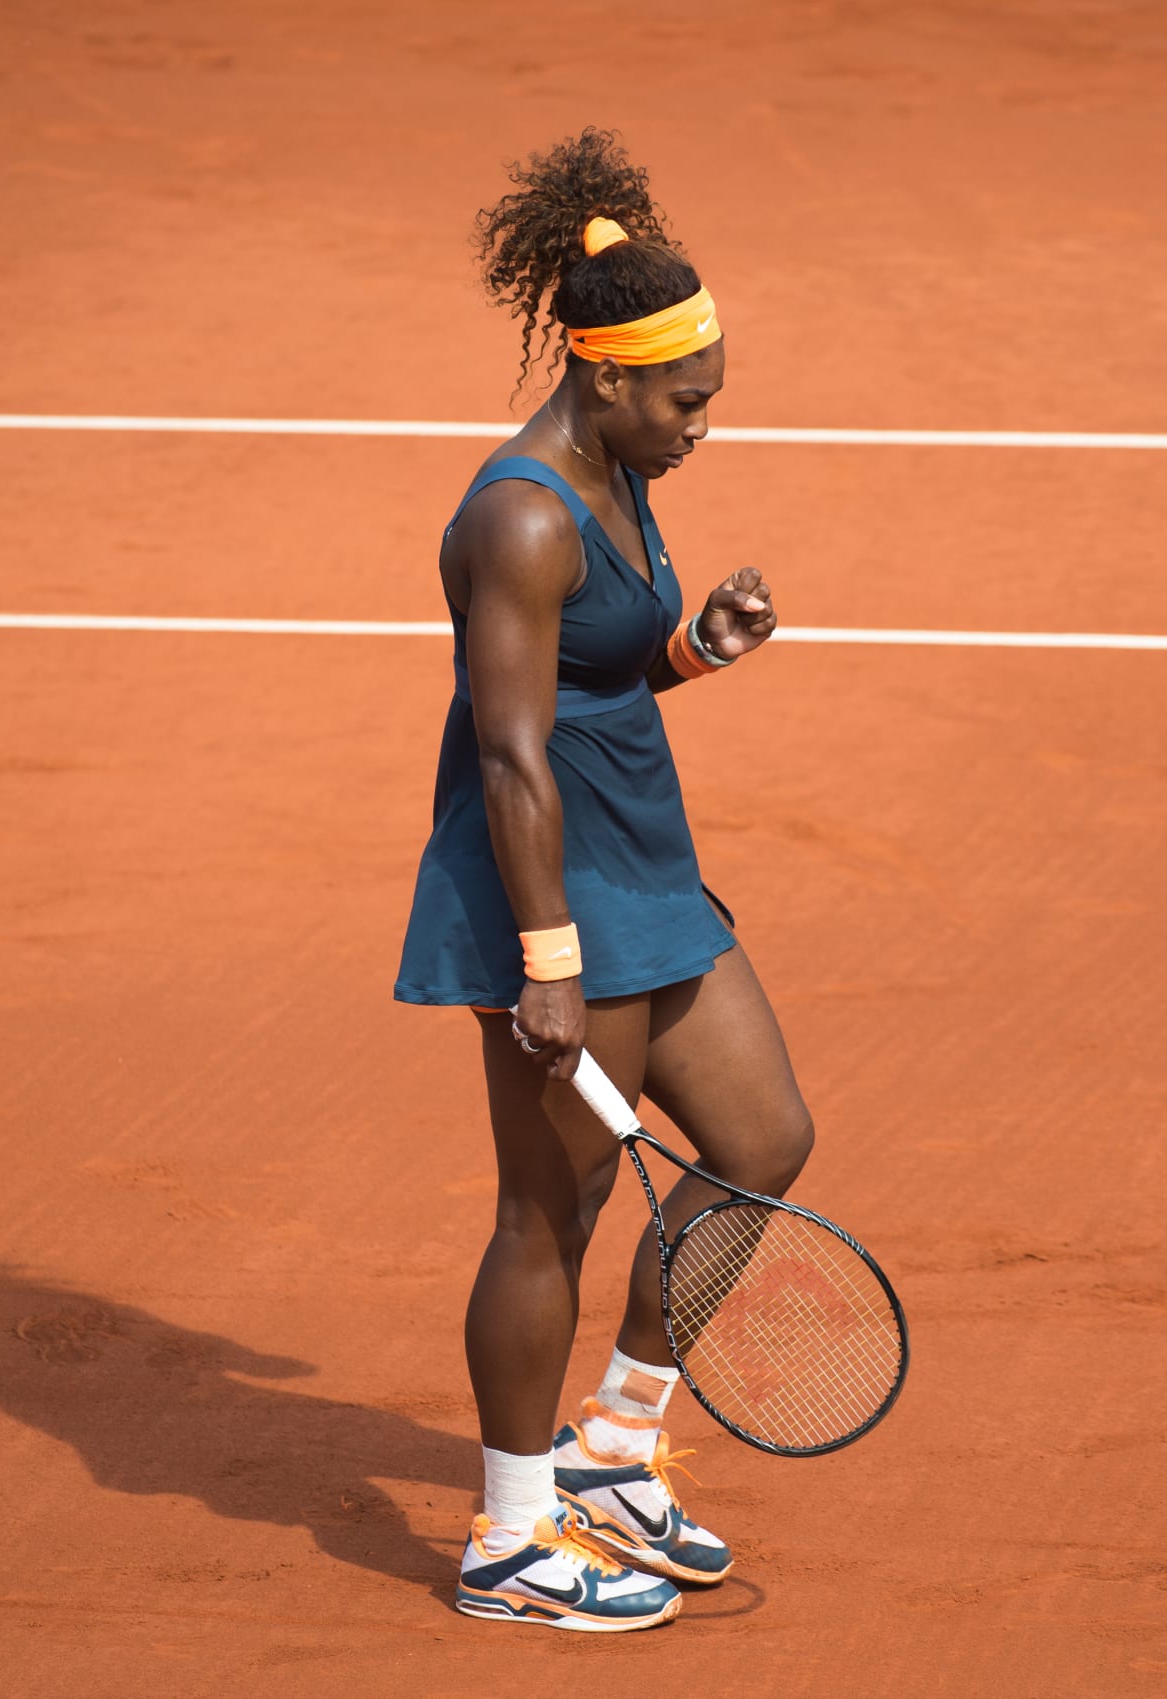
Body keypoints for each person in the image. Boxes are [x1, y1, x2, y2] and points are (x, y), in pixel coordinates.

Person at [394, 128, 814, 1632]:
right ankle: (509, 1539)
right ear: (609, 379)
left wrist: (699, 645)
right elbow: (511, 756)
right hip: (549, 890)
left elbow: (606, 676)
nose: (704, 426)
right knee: (546, 1218)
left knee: (764, 1138)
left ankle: (617, 1444)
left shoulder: (618, 476)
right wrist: (548, 961)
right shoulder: (518, 513)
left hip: (645, 863)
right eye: (686, 402)